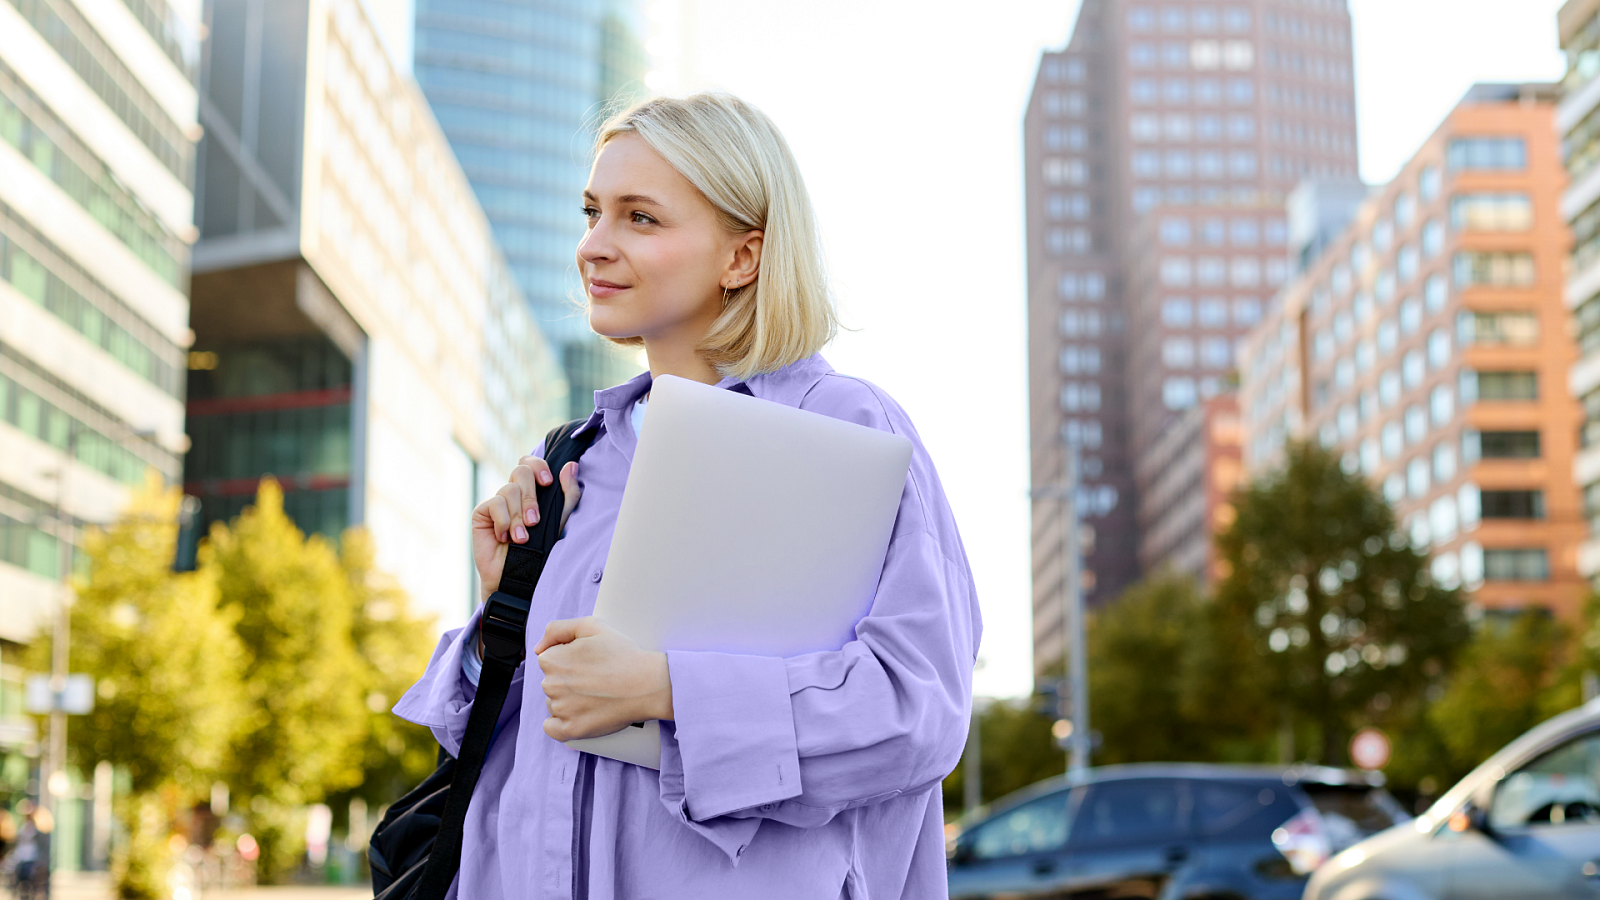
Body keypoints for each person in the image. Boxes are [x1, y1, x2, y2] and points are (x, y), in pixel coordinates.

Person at [394, 93, 980, 899]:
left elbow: (918, 712)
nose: (592, 246)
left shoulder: (844, 428)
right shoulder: (570, 459)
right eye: (592, 211)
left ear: (743, 258)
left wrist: (664, 691)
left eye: (641, 218)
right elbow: (496, 740)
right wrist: (504, 613)